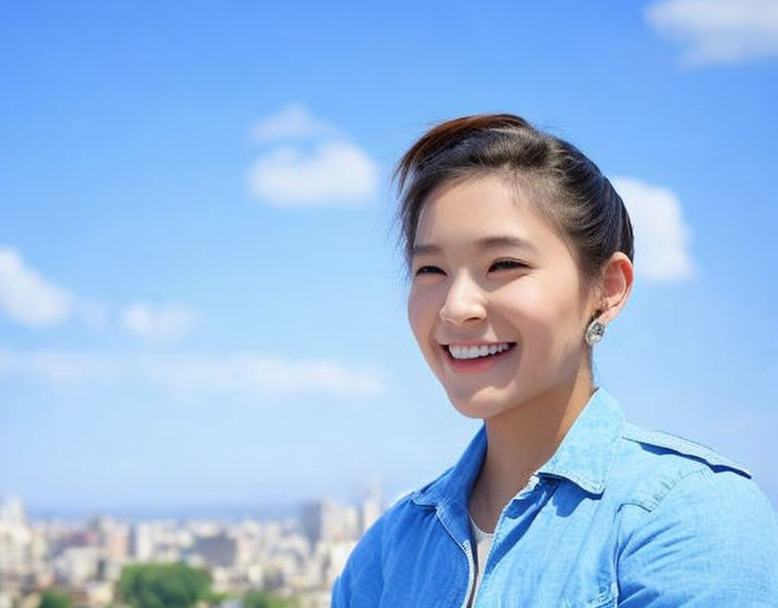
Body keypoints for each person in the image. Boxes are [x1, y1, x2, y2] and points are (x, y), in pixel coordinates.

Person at [330, 114, 778, 607]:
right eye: (430, 269)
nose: (456, 307)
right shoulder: (390, 552)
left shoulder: (687, 515)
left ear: (607, 289)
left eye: (504, 264)